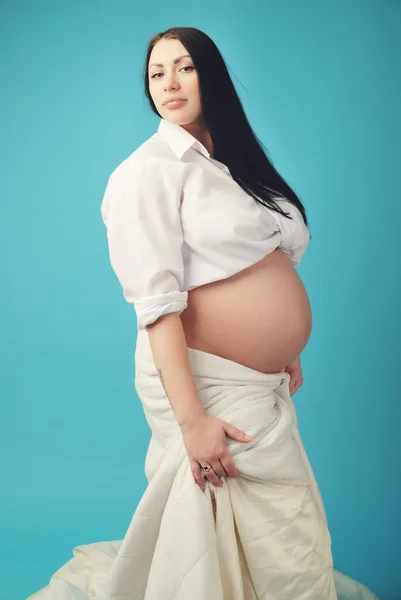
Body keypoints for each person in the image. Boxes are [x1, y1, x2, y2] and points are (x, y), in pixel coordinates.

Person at [26, 26, 380, 600]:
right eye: (156, 73)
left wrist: (283, 344)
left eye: (184, 67)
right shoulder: (147, 172)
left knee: (261, 525)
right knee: (240, 513)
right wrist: (192, 422)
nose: (168, 82)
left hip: (253, 377)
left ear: (210, 74)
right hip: (196, 375)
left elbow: (265, 258)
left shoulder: (234, 162)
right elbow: (157, 306)